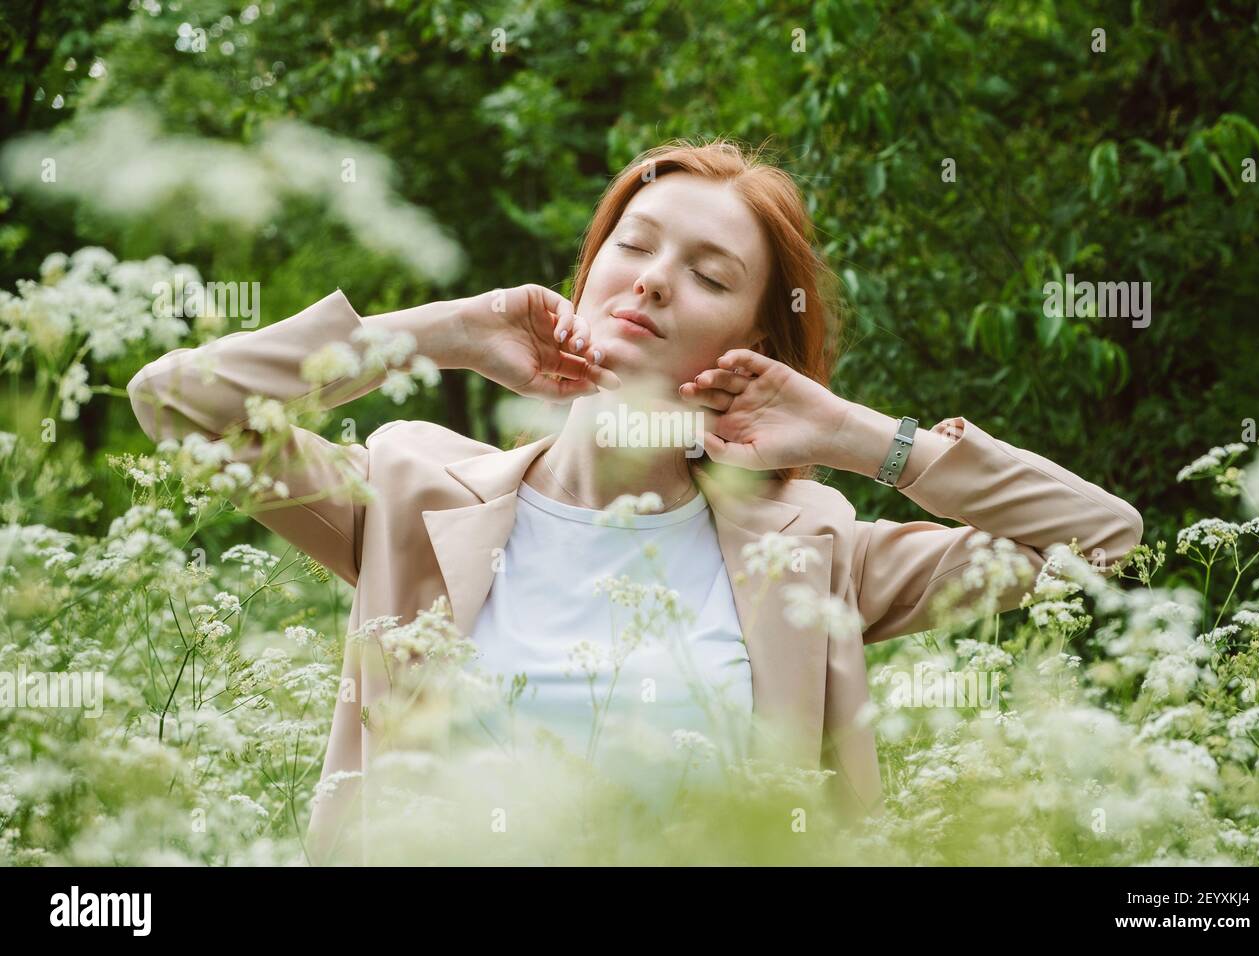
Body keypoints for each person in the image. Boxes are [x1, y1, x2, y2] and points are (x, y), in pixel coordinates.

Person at [126, 138, 1144, 864]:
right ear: (590, 265)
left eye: (708, 274)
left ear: (750, 338)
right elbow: (175, 403)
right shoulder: (412, 489)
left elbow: (1102, 539)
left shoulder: (812, 550)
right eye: (634, 243)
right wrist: (434, 331)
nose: (653, 281)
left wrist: (853, 435)